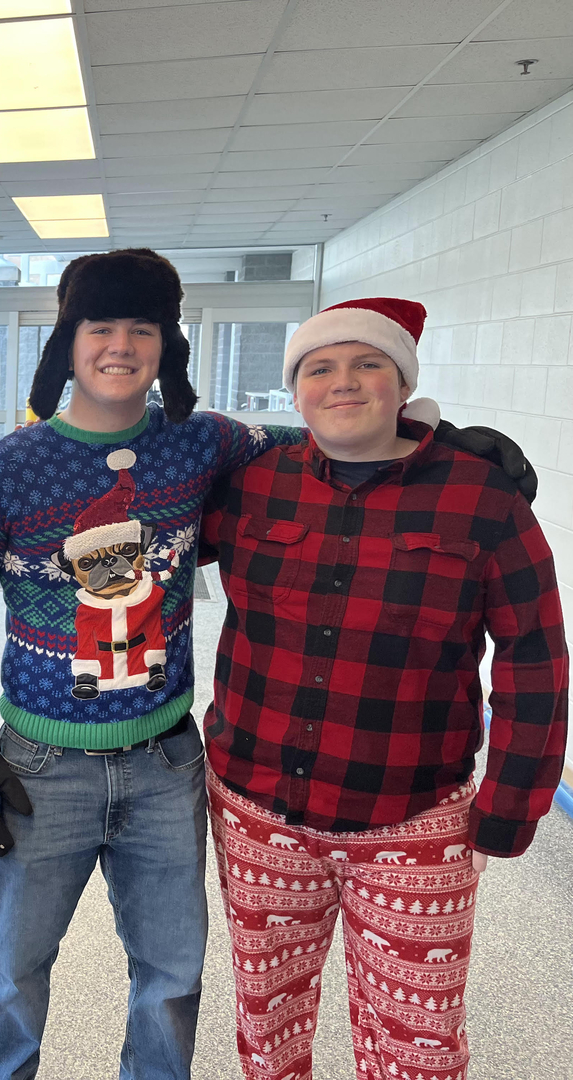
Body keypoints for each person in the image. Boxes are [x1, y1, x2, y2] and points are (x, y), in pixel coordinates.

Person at [0, 248, 317, 1080]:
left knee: (173, 976)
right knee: (15, 972)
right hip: (41, 769)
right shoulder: (5, 470)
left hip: (165, 765)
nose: (120, 346)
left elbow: (314, 436)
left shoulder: (198, 443)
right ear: (68, 343)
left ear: (166, 345)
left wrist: (431, 436)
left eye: (141, 328)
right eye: (99, 327)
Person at [199, 297, 568, 1080]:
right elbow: (142, 540)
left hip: (415, 819)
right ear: (295, 393)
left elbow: (535, 657)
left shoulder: (482, 498)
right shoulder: (252, 485)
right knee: (268, 1029)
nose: (343, 381)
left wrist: (510, 805)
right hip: (258, 810)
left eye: (368, 364)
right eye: (319, 368)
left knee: (416, 1046)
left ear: (403, 384)